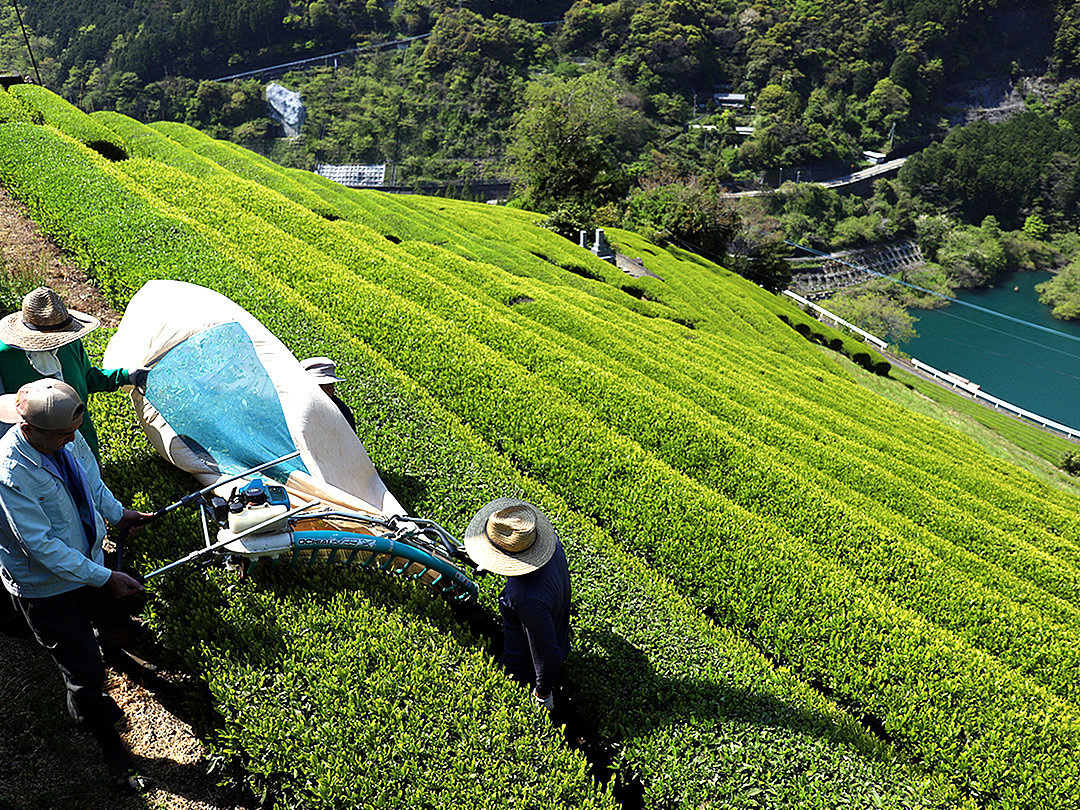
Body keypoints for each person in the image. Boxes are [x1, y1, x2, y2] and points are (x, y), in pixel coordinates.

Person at [0, 378, 151, 792]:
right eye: (63, 435)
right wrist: (105, 577)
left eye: (74, 432)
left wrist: (118, 514)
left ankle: (113, 661)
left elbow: (90, 480)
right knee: (82, 670)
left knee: (108, 626)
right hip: (45, 587)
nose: (72, 441)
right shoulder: (10, 471)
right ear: (29, 430)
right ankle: (112, 751)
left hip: (86, 564)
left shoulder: (66, 437)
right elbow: (42, 549)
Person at [0, 287, 148, 461]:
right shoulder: (5, 355)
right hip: (34, 451)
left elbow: (86, 378)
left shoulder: (70, 343)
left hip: (80, 436)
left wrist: (126, 376)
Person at [464, 499, 572, 712]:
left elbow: (548, 654)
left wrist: (543, 694)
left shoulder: (524, 597)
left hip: (522, 670)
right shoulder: (553, 546)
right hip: (558, 635)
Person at [301, 355, 356, 431]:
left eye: (329, 388)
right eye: (319, 388)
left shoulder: (342, 412)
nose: (324, 394)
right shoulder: (293, 407)